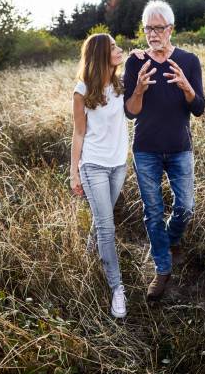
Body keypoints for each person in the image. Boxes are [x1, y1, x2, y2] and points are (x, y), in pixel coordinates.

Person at [123, 0, 205, 301]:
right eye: (148, 28)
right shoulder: (136, 62)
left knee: (185, 207)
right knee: (153, 212)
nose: (153, 34)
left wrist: (187, 87)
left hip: (179, 148)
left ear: (170, 29)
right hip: (145, 150)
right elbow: (130, 113)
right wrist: (139, 90)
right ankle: (162, 268)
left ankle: (169, 240)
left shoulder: (189, 60)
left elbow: (199, 109)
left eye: (158, 28)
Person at [70, 33, 129, 318]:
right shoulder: (82, 91)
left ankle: (91, 249)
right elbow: (78, 132)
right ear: (101, 54)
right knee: (108, 226)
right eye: (114, 47)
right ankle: (117, 288)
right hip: (93, 165)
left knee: (102, 218)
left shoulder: (121, 85)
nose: (119, 50)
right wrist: (74, 172)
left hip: (119, 164)